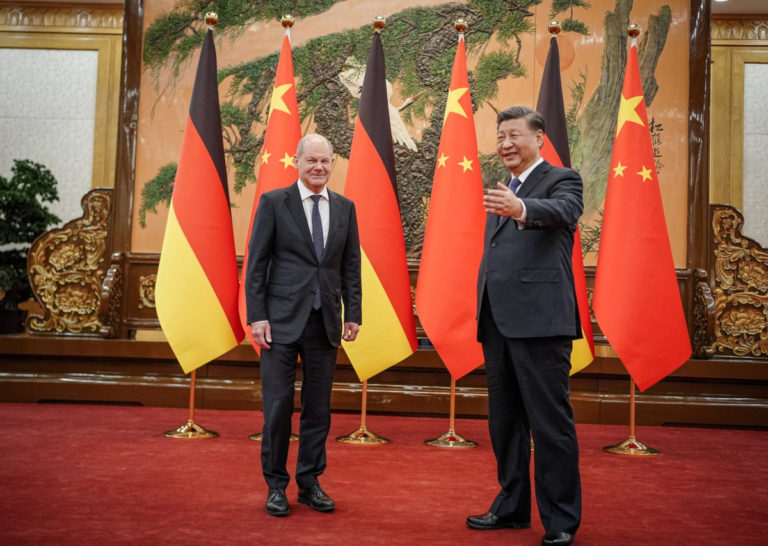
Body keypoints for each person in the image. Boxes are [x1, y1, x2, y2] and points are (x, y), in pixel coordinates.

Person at [469, 106, 583, 546]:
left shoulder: (562, 179)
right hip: (497, 322)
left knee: (549, 425)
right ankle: (511, 506)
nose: (505, 144)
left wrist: (521, 208)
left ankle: (561, 520)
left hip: (541, 323)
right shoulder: (506, 187)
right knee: (505, 422)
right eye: (500, 137)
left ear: (538, 138)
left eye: (514, 135)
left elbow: (565, 211)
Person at [245, 133, 362, 517]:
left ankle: (310, 483)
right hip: (278, 323)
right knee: (278, 407)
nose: (318, 167)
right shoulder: (274, 203)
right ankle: (276, 485)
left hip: (324, 321)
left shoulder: (345, 208)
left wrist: (353, 313)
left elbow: (350, 266)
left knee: (318, 409)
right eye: (311, 160)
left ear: (332, 164)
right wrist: (257, 316)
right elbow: (257, 264)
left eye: (325, 161)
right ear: (296, 162)